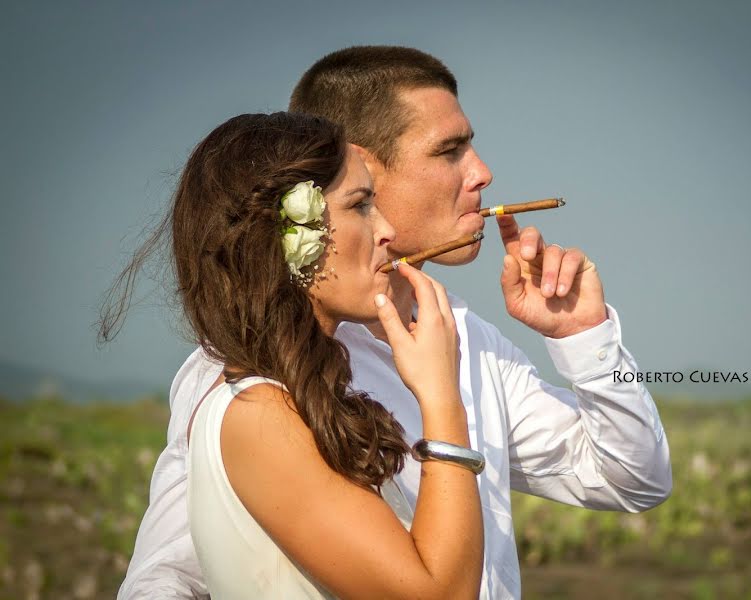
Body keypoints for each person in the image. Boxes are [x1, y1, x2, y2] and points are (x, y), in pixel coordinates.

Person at [120, 46, 672, 600]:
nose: (482, 172)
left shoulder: (468, 338)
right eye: (449, 151)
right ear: (358, 166)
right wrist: (442, 400)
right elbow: (168, 578)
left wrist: (585, 336)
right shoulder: (244, 380)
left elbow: (632, 478)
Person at [101, 111, 486, 598]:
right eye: (361, 205)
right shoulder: (258, 414)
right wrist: (442, 396)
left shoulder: (297, 400)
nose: (387, 230)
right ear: (284, 237)